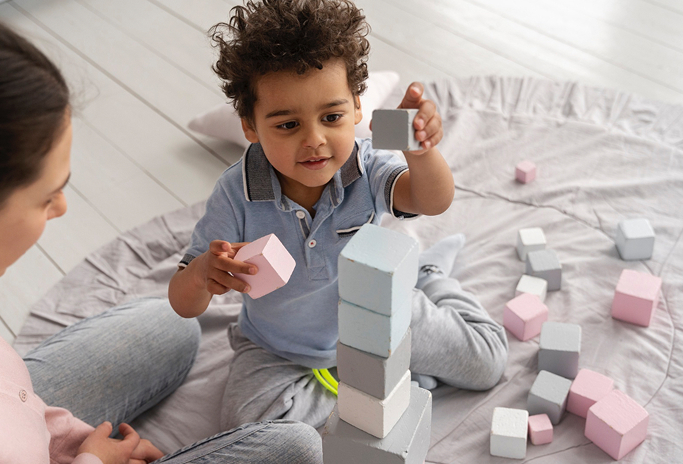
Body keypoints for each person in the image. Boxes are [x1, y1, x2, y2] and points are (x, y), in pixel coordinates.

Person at [0, 9, 322, 464]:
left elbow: (6, 395)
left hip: (4, 433)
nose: (62, 207)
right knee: (293, 452)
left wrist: (73, 444)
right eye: (46, 196)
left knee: (167, 322)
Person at [168, 0, 509, 431]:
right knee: (250, 425)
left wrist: (420, 151)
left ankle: (428, 275)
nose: (315, 140)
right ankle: (366, 395)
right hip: (279, 348)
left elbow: (431, 200)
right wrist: (201, 275)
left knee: (487, 364)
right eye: (287, 125)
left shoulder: (365, 167)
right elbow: (183, 302)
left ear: (357, 108)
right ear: (250, 126)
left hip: (381, 316)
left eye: (332, 117)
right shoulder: (235, 193)